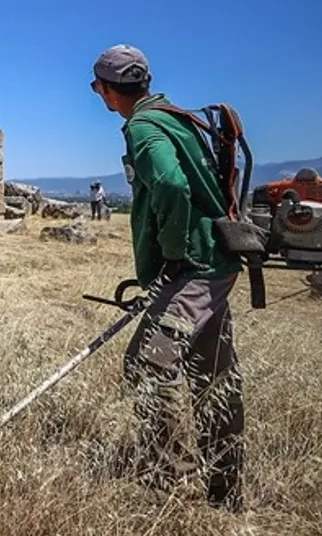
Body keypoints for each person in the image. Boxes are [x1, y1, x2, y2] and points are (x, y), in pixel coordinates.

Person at [90, 43, 246, 512]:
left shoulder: (143, 125)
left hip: (192, 268)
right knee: (212, 374)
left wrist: (174, 254)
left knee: (148, 363)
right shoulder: (175, 117)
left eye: (97, 87)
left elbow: (171, 184)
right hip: (214, 262)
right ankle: (225, 490)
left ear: (108, 90)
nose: (98, 93)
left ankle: (168, 483)